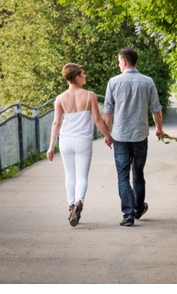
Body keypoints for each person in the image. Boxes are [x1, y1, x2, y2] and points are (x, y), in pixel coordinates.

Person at [103, 47, 164, 226]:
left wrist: (107, 135)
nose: (118, 65)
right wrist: (159, 128)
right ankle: (138, 208)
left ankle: (128, 214)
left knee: (123, 176)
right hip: (140, 135)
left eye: (118, 62)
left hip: (120, 136)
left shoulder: (113, 82)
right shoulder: (147, 81)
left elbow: (107, 113)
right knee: (138, 173)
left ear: (123, 62)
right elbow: (156, 109)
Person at [47, 63, 113, 227]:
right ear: (76, 77)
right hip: (83, 140)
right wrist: (108, 137)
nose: (85, 76)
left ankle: (71, 207)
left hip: (66, 140)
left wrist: (50, 147)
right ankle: (78, 204)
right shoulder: (90, 96)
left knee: (70, 175)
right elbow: (97, 120)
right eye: (83, 74)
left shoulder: (60, 99)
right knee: (82, 176)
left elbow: (56, 123)